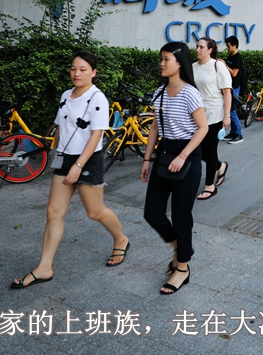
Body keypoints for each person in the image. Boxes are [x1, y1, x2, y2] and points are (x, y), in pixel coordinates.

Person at [12, 51, 130, 288]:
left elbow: (96, 135)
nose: (77, 73)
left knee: (94, 212)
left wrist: (78, 165)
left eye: (83, 69)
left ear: (93, 73)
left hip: (87, 160)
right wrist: (54, 150)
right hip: (65, 158)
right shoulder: (66, 94)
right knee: (53, 212)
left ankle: (121, 239)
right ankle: (44, 267)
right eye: (73, 68)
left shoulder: (97, 98)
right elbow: (60, 125)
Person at [141, 42, 210, 295]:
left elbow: (203, 128)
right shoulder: (160, 92)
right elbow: (155, 127)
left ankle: (182, 267)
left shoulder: (190, 93)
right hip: (164, 153)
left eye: (166, 59)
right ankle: (181, 247)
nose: (162, 63)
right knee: (152, 213)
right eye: (161, 59)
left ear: (180, 63)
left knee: (181, 215)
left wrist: (182, 155)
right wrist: (146, 159)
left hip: (187, 155)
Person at [193, 38, 231, 200]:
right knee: (198, 150)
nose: (197, 49)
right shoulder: (193, 67)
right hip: (197, 113)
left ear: (210, 50)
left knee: (209, 150)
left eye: (201, 47)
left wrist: (226, 116)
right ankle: (220, 166)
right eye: (197, 46)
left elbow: (227, 92)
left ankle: (209, 186)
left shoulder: (217, 65)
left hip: (215, 113)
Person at [223, 36, 245, 144]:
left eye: (228, 46)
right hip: (229, 86)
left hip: (234, 87)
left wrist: (224, 65)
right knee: (229, 110)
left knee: (231, 111)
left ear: (234, 45)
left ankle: (239, 134)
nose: (227, 48)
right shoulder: (230, 56)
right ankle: (233, 132)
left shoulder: (237, 58)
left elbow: (234, 73)